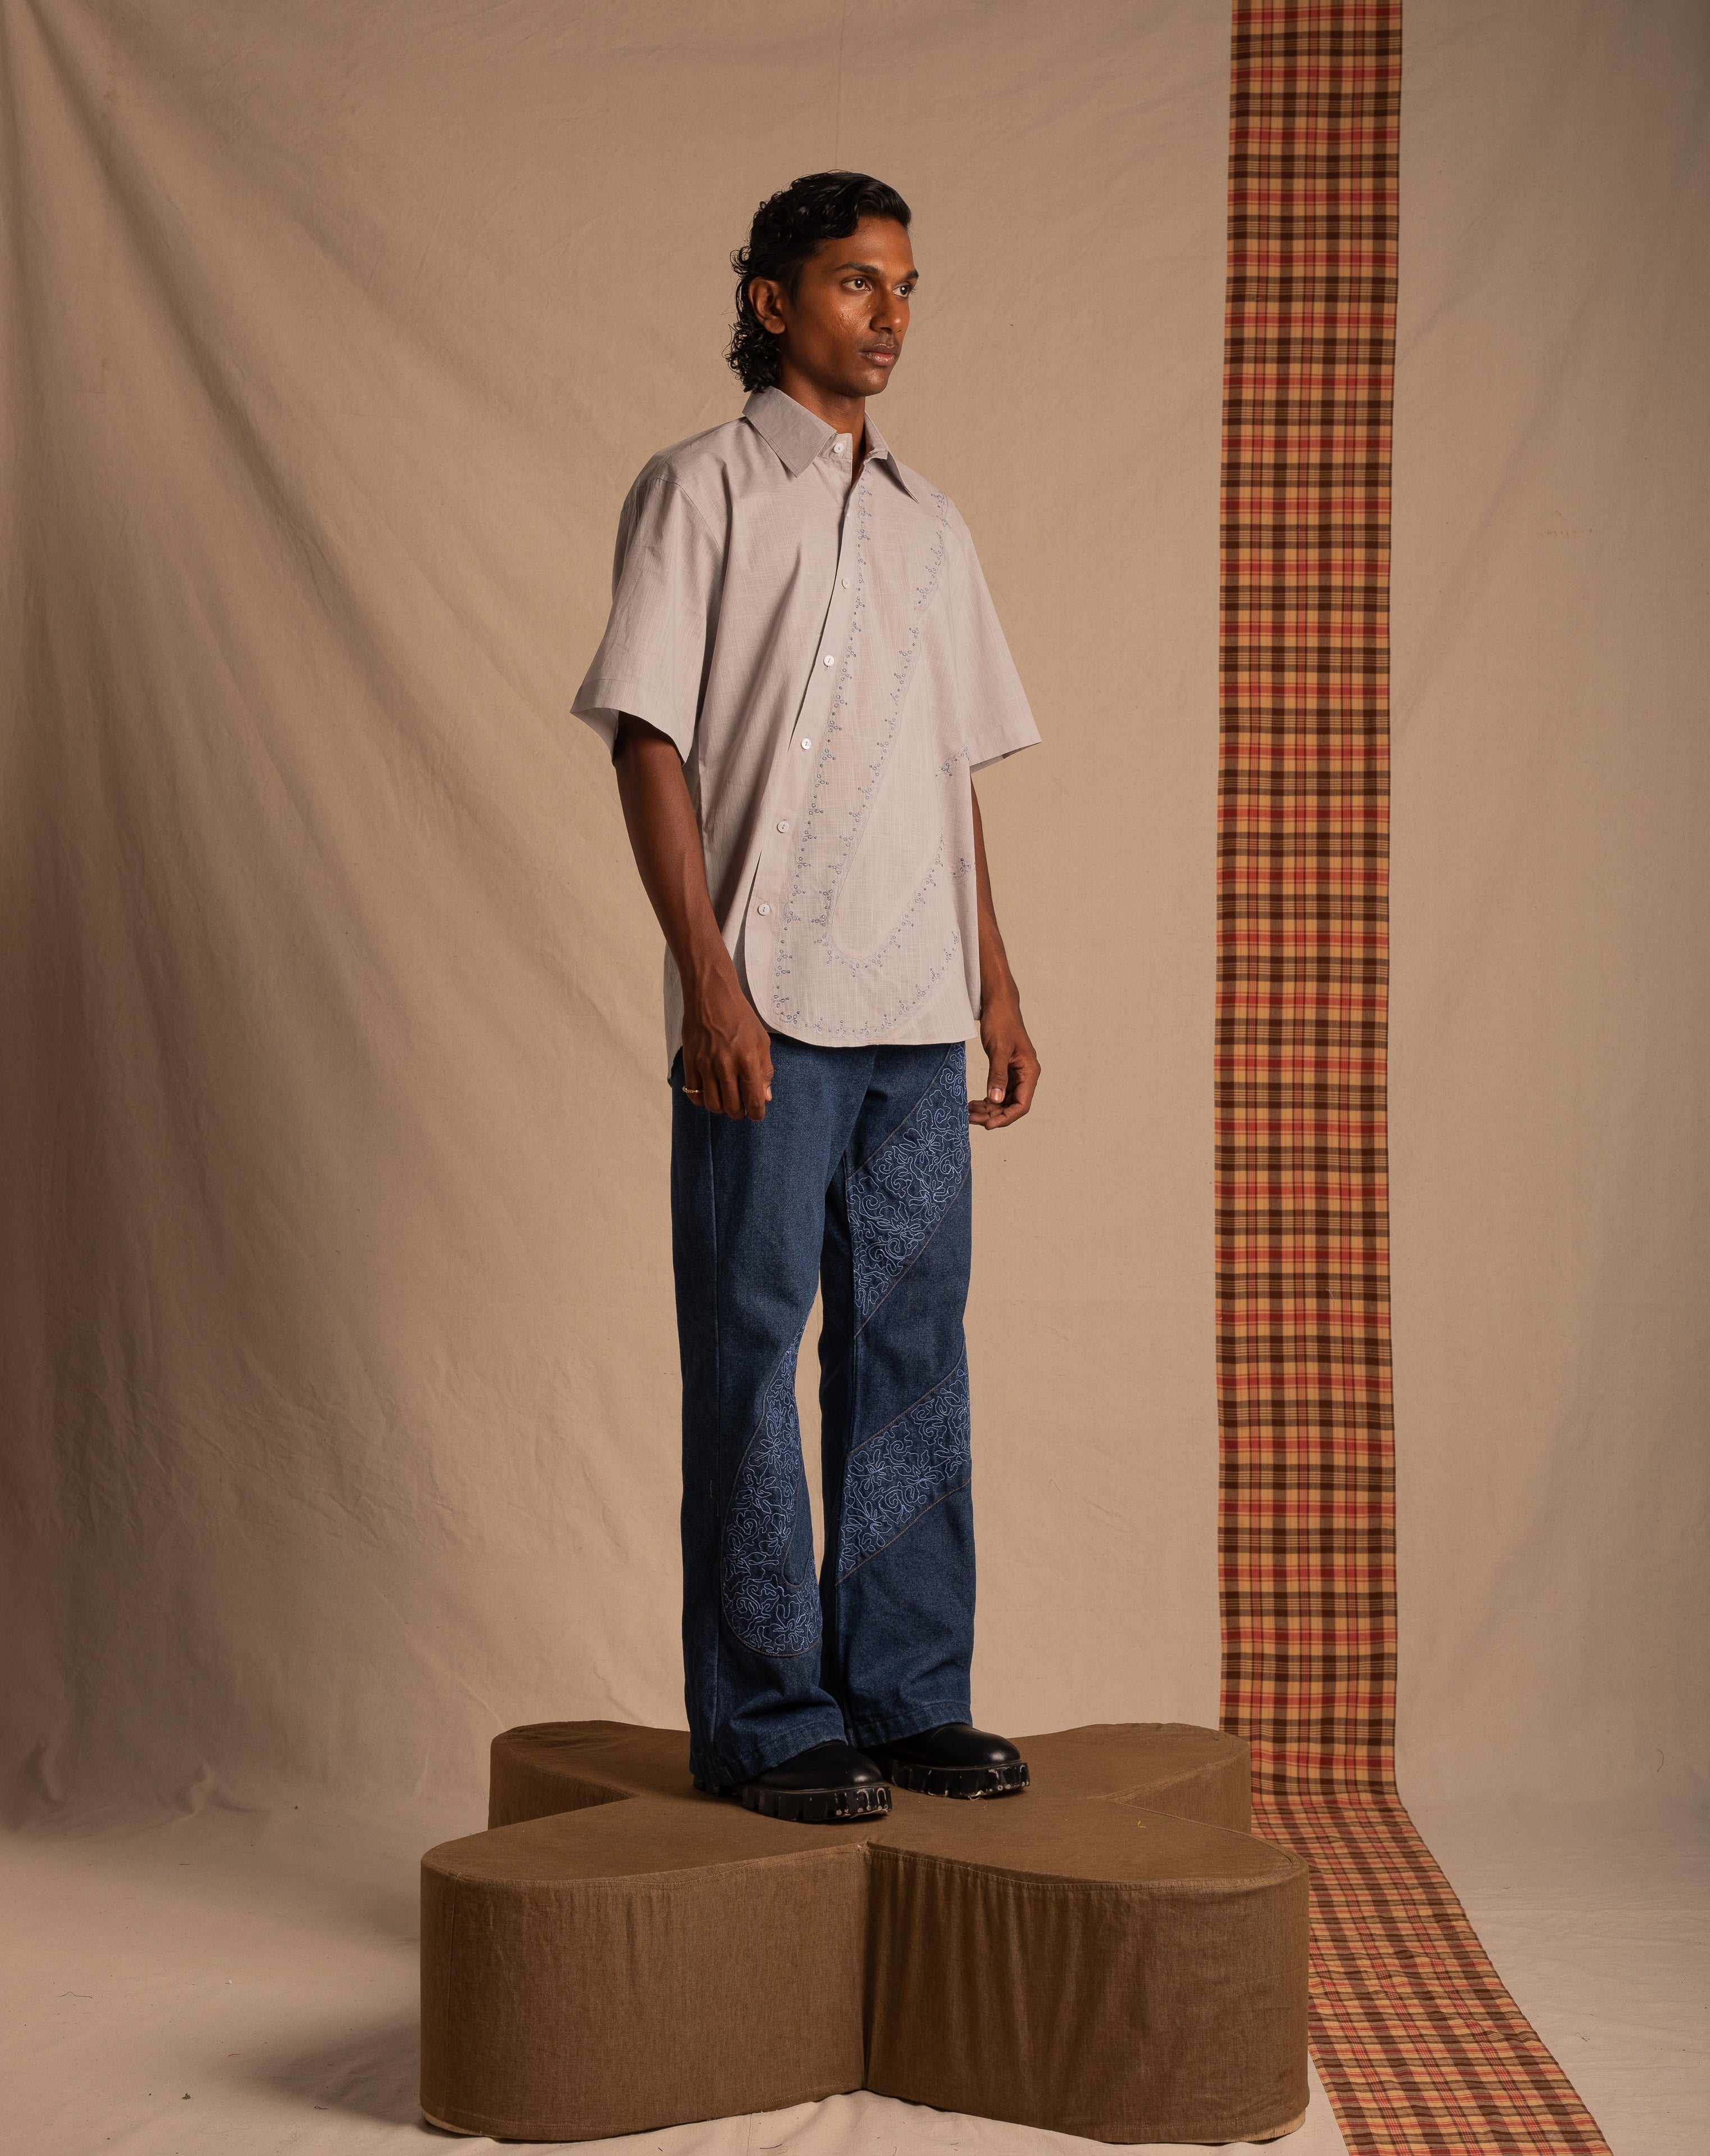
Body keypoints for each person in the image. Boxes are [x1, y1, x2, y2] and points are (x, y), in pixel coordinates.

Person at [573, 172, 1043, 1824]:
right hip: (767, 1007)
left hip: (918, 1014)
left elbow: (949, 772)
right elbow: (652, 737)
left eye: (908, 285)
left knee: (915, 1351)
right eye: (857, 283)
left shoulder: (933, 522)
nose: (892, 314)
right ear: (775, 301)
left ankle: (909, 1696)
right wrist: (707, 980)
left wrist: (996, 979)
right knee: (754, 1345)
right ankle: (771, 1715)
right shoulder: (699, 492)